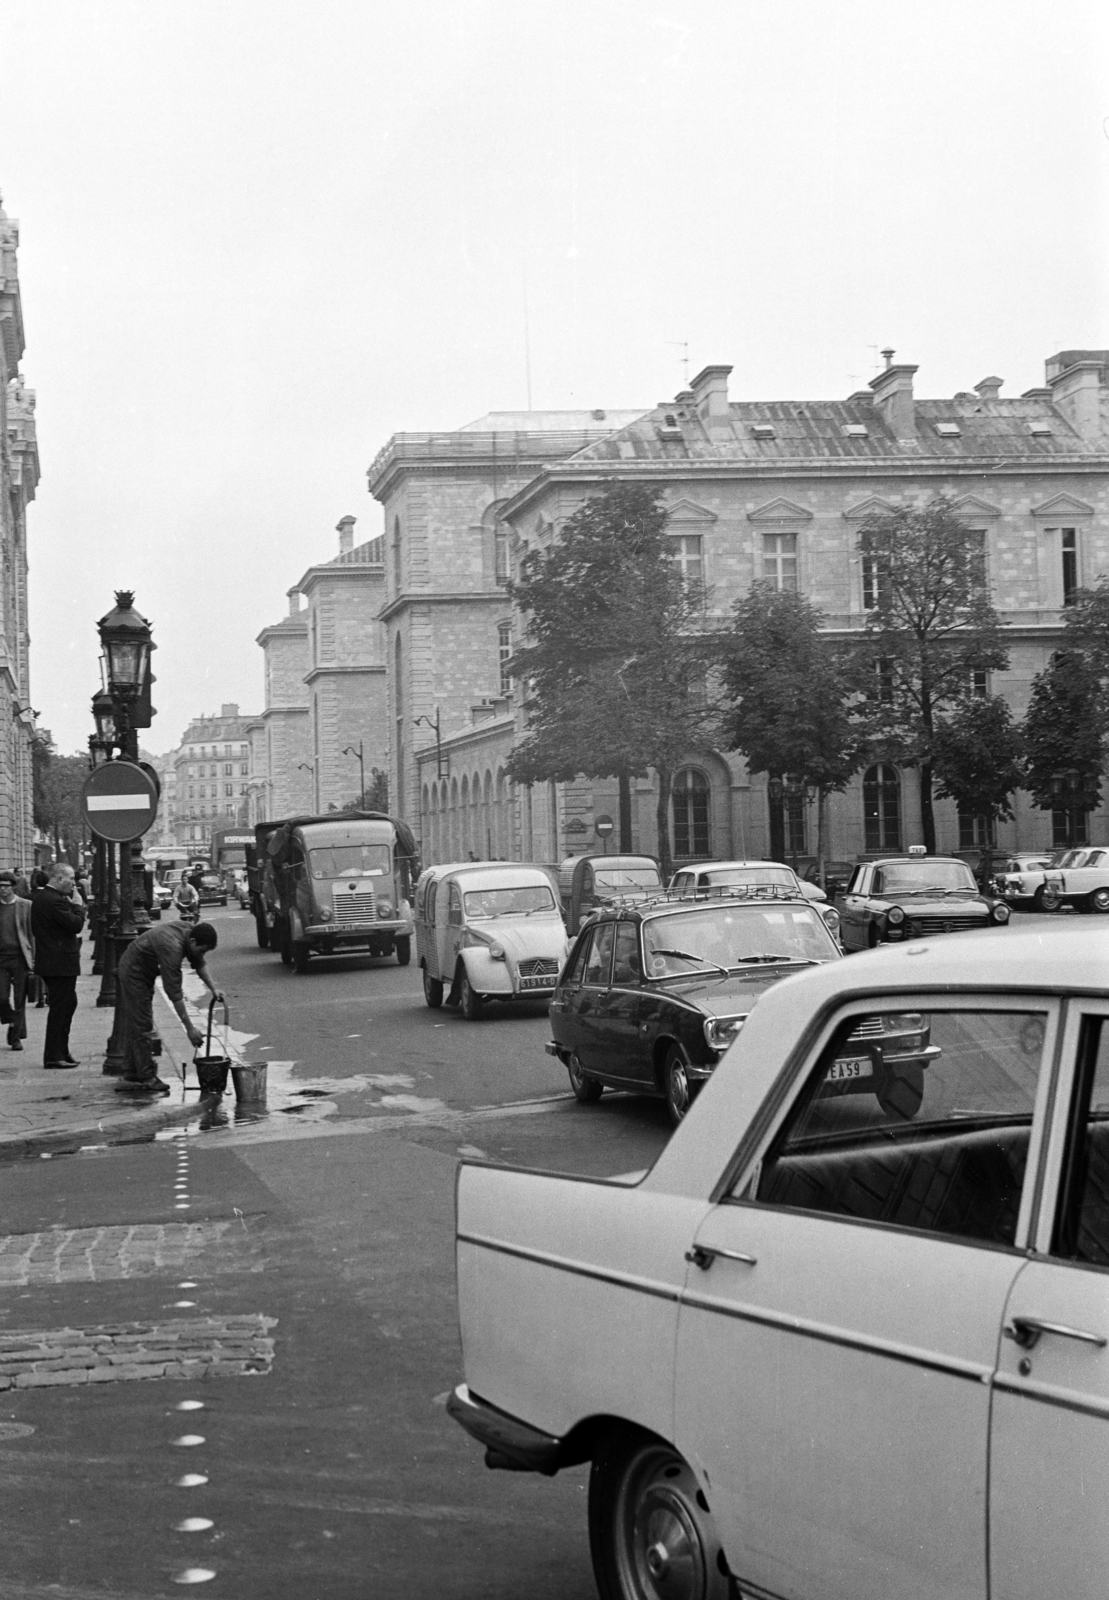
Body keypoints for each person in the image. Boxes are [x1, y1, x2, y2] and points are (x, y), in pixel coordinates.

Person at [114, 919, 223, 1094]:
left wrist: (214, 989)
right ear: (193, 942)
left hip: (142, 969)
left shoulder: (190, 932)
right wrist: (189, 1029)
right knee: (142, 1022)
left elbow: (199, 962)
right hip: (133, 972)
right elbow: (174, 993)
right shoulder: (172, 948)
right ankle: (147, 1076)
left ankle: (131, 1070)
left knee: (138, 1020)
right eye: (202, 949)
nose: (202, 953)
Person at [30, 862, 86, 1069]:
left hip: (55, 962)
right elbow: (76, 924)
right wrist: (78, 905)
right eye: (70, 878)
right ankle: (54, 1055)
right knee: (60, 1009)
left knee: (68, 1004)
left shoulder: (47, 898)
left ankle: (62, 1051)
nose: (73, 883)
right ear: (59, 878)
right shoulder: (54, 901)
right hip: (59, 963)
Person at [0, 871, 34, 1051]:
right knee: (2, 998)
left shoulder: (25, 905)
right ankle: (12, 1020)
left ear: (13, 887)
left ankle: (15, 1038)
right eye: (0, 886)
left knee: (20, 999)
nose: (3, 889)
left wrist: (34, 960)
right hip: (1, 960)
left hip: (20, 958)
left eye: (6, 886)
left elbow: (31, 934)